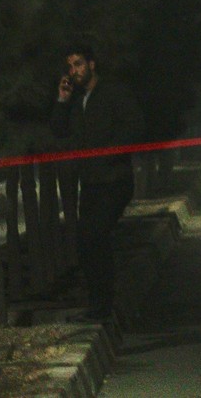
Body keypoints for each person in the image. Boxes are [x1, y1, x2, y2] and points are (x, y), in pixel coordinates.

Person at [50, 44, 145, 323]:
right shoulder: (79, 101)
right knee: (87, 242)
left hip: (114, 180)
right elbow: (58, 130)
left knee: (94, 235)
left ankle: (103, 306)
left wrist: (109, 155)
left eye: (78, 64)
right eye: (70, 66)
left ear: (92, 64)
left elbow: (134, 126)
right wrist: (63, 100)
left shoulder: (114, 93)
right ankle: (98, 305)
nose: (74, 71)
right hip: (90, 183)